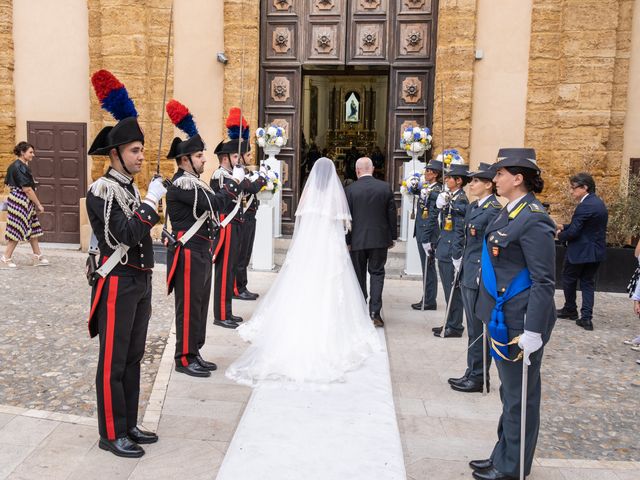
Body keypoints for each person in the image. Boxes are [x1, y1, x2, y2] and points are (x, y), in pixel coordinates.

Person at [226, 157, 380, 386]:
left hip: (308, 248)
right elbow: (344, 223)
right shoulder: (337, 194)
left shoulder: (308, 195)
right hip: (329, 248)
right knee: (331, 284)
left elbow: (301, 222)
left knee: (304, 283)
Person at [85, 70, 166, 458]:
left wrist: (149, 205)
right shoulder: (101, 190)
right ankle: (111, 432)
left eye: (141, 150)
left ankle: (129, 423)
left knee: (133, 357)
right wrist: (150, 204)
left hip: (140, 282)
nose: (140, 156)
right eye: (134, 151)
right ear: (115, 154)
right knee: (113, 360)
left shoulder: (128, 189)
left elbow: (144, 230)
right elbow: (124, 235)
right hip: (116, 282)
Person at [470, 148, 556, 480]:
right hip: (502, 317)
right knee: (510, 394)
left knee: (521, 398)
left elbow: (543, 280)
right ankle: (501, 454)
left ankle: (512, 466)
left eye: (500, 174)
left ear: (517, 178)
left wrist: (534, 330)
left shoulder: (534, 218)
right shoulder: (510, 212)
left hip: (519, 322)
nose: (494, 180)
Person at [164, 99, 242, 378]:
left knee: (198, 304)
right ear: (185, 160)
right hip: (187, 252)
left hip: (200, 251)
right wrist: (232, 189)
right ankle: (183, 358)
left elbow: (216, 199)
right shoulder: (182, 185)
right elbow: (216, 203)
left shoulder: (194, 183)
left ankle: (194, 351)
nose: (204, 160)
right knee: (188, 306)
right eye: (198, 157)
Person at [448, 163, 501, 393]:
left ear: (489, 184)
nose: (472, 184)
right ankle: (472, 370)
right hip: (468, 271)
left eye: (477, 181)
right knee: (472, 327)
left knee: (479, 328)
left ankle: (479, 376)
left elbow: (490, 247)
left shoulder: (493, 210)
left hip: (479, 274)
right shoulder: (474, 207)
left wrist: (482, 274)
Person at [210, 108, 265, 329]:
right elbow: (229, 197)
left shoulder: (232, 174)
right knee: (224, 272)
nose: (238, 160)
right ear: (225, 158)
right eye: (234, 157)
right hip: (225, 226)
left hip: (236, 224)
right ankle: (221, 314)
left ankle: (228, 312)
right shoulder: (220, 175)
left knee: (230, 269)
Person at [345, 157, 398, 327]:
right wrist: (392, 237)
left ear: (357, 170)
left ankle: (360, 308)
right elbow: (392, 214)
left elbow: (347, 219)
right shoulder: (385, 187)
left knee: (358, 275)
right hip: (379, 239)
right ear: (373, 169)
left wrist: (347, 240)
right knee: (377, 273)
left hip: (357, 240)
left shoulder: (350, 190)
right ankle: (375, 311)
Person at [556, 172, 608, 331]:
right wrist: (564, 226)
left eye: (573, 188)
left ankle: (570, 309)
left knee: (568, 278)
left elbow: (575, 232)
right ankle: (586, 318)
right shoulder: (598, 203)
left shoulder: (584, 206)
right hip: (596, 251)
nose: (572, 191)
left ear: (584, 187)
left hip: (580, 251)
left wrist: (559, 235)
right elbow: (586, 226)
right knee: (587, 283)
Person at [432, 161, 469, 338]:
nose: (446, 180)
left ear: (459, 181)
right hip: (444, 247)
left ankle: (455, 326)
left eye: (450, 177)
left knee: (453, 290)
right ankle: (450, 321)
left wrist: (457, 253)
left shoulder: (460, 199)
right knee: (448, 290)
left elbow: (460, 227)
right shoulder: (451, 196)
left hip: (451, 250)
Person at [1, 141, 49, 268]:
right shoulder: (19, 167)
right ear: (23, 153)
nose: (33, 154)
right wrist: (38, 204)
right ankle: (5, 258)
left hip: (21, 200)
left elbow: (9, 184)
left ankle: (37, 256)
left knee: (33, 228)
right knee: (16, 229)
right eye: (30, 152)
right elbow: (27, 189)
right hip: (20, 201)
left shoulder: (17, 166)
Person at [234, 146, 267, 301]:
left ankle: (242, 285)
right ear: (240, 156)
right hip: (243, 218)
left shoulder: (245, 172)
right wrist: (263, 177)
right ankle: (238, 288)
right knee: (241, 255)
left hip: (250, 217)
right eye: (248, 154)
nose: (250, 156)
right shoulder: (238, 173)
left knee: (246, 254)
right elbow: (252, 187)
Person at [412, 158, 443, 311]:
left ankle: (430, 300)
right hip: (422, 230)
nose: (425, 173)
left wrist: (426, 194)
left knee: (428, 266)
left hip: (429, 233)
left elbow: (436, 205)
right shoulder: (428, 187)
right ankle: (427, 297)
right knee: (425, 267)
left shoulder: (437, 190)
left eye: (428, 171)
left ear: (435, 174)